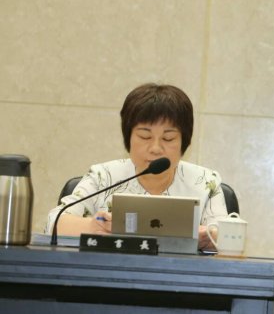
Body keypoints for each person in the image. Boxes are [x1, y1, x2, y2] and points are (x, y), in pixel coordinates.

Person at [45, 83, 228, 250]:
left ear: (184, 142)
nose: (155, 148)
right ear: (128, 138)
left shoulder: (205, 182)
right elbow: (53, 222)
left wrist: (209, 237)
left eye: (168, 138)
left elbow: (228, 238)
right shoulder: (104, 176)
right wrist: (93, 226)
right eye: (144, 136)